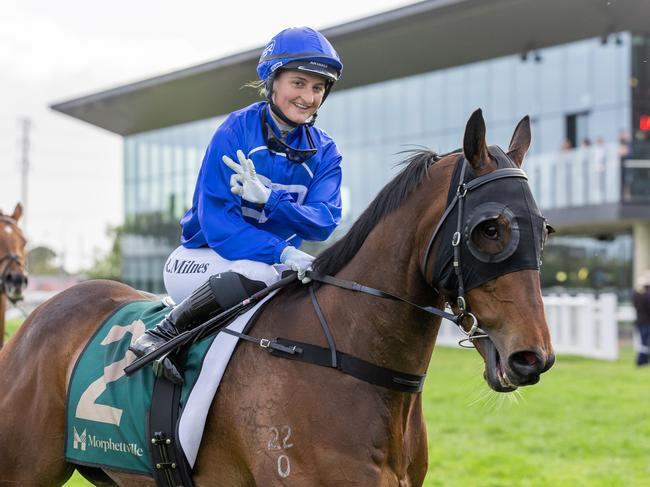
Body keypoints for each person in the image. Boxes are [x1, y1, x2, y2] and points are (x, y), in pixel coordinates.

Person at [130, 26, 344, 382]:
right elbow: (219, 226)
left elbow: (323, 220)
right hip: (200, 259)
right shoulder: (235, 131)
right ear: (272, 81)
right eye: (299, 83)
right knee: (258, 274)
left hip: (272, 264)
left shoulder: (325, 151)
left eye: (318, 87)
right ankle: (161, 335)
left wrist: (273, 201)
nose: (308, 97)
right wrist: (282, 252)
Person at [633, 270, 650, 367]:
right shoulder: (647, 295)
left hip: (640, 321)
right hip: (646, 322)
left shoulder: (636, 295)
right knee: (645, 342)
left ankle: (643, 360)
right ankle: (642, 361)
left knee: (643, 342)